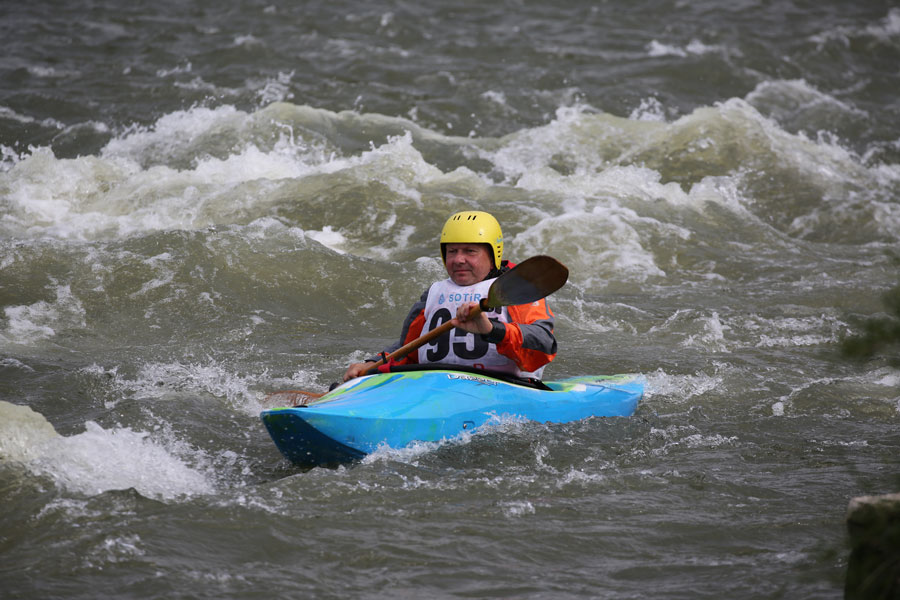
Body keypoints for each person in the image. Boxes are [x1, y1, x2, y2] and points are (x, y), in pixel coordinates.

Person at [343, 210, 557, 382]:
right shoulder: (434, 294)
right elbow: (408, 349)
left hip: (502, 386)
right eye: (452, 251)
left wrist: (492, 330)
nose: (458, 260)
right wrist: (371, 364)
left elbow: (544, 345)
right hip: (437, 386)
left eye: (470, 251)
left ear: (493, 255)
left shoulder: (516, 289)